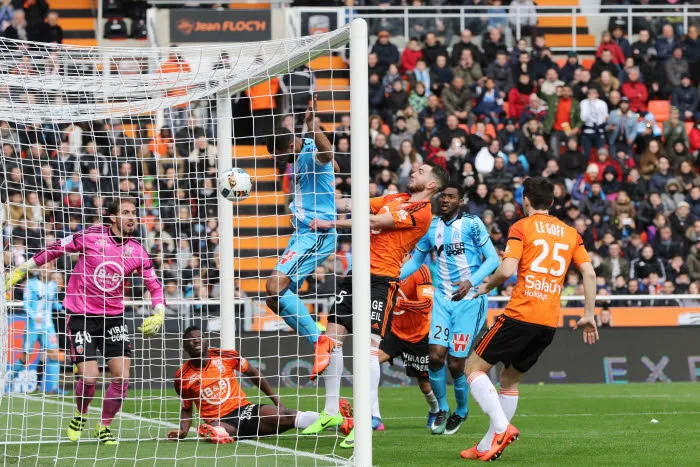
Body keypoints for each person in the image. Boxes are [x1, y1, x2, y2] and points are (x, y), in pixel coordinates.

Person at [302, 163, 448, 448]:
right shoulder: (396, 199)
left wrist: (330, 223)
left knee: (369, 348)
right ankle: (331, 412)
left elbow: (372, 222)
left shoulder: (422, 212)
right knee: (330, 338)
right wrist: (319, 197)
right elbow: (356, 204)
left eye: (422, 170)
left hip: (381, 280)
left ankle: (367, 420)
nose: (415, 171)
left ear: (432, 185)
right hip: (356, 274)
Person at [4, 197, 166, 444]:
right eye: (126, 212)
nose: (132, 217)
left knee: (122, 377)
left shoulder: (138, 251)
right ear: (112, 217)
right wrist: (23, 269)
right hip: (81, 316)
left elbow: (154, 286)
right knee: (89, 378)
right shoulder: (90, 236)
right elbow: (56, 248)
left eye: (134, 212)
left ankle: (104, 426)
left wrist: (159, 313)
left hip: (113, 317)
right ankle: (80, 415)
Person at [460, 177, 598, 461]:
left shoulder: (522, 226)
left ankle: (501, 427)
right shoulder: (571, 233)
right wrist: (588, 314)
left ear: (525, 200)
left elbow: (507, 269)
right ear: (552, 202)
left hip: (520, 314)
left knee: (473, 367)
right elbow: (590, 273)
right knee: (510, 380)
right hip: (547, 322)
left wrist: (485, 286)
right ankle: (488, 445)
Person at [400, 183, 499, 435]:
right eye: (442, 196)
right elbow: (416, 261)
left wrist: (471, 282)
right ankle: (442, 408)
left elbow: (493, 259)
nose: (444, 200)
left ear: (460, 201)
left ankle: (462, 410)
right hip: (443, 301)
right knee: (434, 357)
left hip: (469, 302)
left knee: (456, 364)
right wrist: (392, 276)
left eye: (450, 197)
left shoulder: (473, 224)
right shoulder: (431, 227)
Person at [168, 326, 353, 443]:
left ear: (206, 340)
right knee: (220, 429)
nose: (197, 340)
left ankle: (341, 423)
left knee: (287, 415)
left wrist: (275, 400)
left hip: (244, 409)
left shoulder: (226, 356)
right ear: (185, 346)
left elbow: (254, 374)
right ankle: (216, 432)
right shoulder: (182, 377)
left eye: (200, 336)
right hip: (219, 419)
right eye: (192, 339)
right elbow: (186, 407)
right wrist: (183, 431)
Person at [265, 99, 338, 381]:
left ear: (290, 147)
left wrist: (313, 127)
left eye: (279, 156)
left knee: (275, 286)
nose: (278, 161)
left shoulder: (310, 153)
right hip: (301, 235)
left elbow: (328, 153)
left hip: (317, 235)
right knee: (273, 298)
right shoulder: (297, 158)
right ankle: (320, 343)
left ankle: (320, 342)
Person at [377, 264, 436, 430]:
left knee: (425, 385)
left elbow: (427, 305)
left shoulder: (420, 269)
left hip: (418, 335)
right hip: (393, 332)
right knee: (369, 362)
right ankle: (373, 415)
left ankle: (435, 409)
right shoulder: (385, 265)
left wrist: (400, 303)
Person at [11, 265, 63, 394]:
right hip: (33, 325)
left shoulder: (52, 285)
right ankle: (8, 380)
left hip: (48, 325)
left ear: (51, 269)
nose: (45, 270)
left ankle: (53, 388)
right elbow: (26, 303)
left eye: (48, 267)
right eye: (43, 267)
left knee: (54, 354)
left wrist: (65, 307)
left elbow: (54, 303)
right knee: (25, 358)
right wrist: (34, 316)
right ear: (38, 269)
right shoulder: (31, 284)